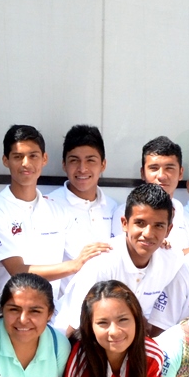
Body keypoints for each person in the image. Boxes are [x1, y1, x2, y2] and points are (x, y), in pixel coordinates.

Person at [0, 125, 99, 303]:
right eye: (18, 157)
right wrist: (74, 266)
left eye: (33, 156)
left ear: (44, 159)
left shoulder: (57, 210)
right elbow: (18, 271)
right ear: (6, 160)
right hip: (4, 313)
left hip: (48, 316)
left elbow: (85, 257)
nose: (26, 163)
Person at [58, 184, 189, 337]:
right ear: (124, 224)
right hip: (77, 337)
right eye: (140, 223)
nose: (148, 233)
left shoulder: (172, 261)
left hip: (123, 339)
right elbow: (73, 325)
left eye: (158, 226)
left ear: (168, 230)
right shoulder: (102, 263)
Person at [46, 125, 119, 299]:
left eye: (90, 160)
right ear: (64, 165)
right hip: (61, 313)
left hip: (104, 308)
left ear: (103, 164)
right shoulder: (48, 205)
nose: (82, 169)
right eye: (74, 160)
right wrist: (76, 263)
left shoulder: (114, 207)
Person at [122, 136, 187, 240]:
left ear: (180, 173)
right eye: (154, 168)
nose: (161, 176)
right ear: (142, 173)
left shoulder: (179, 208)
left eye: (169, 168)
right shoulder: (126, 211)